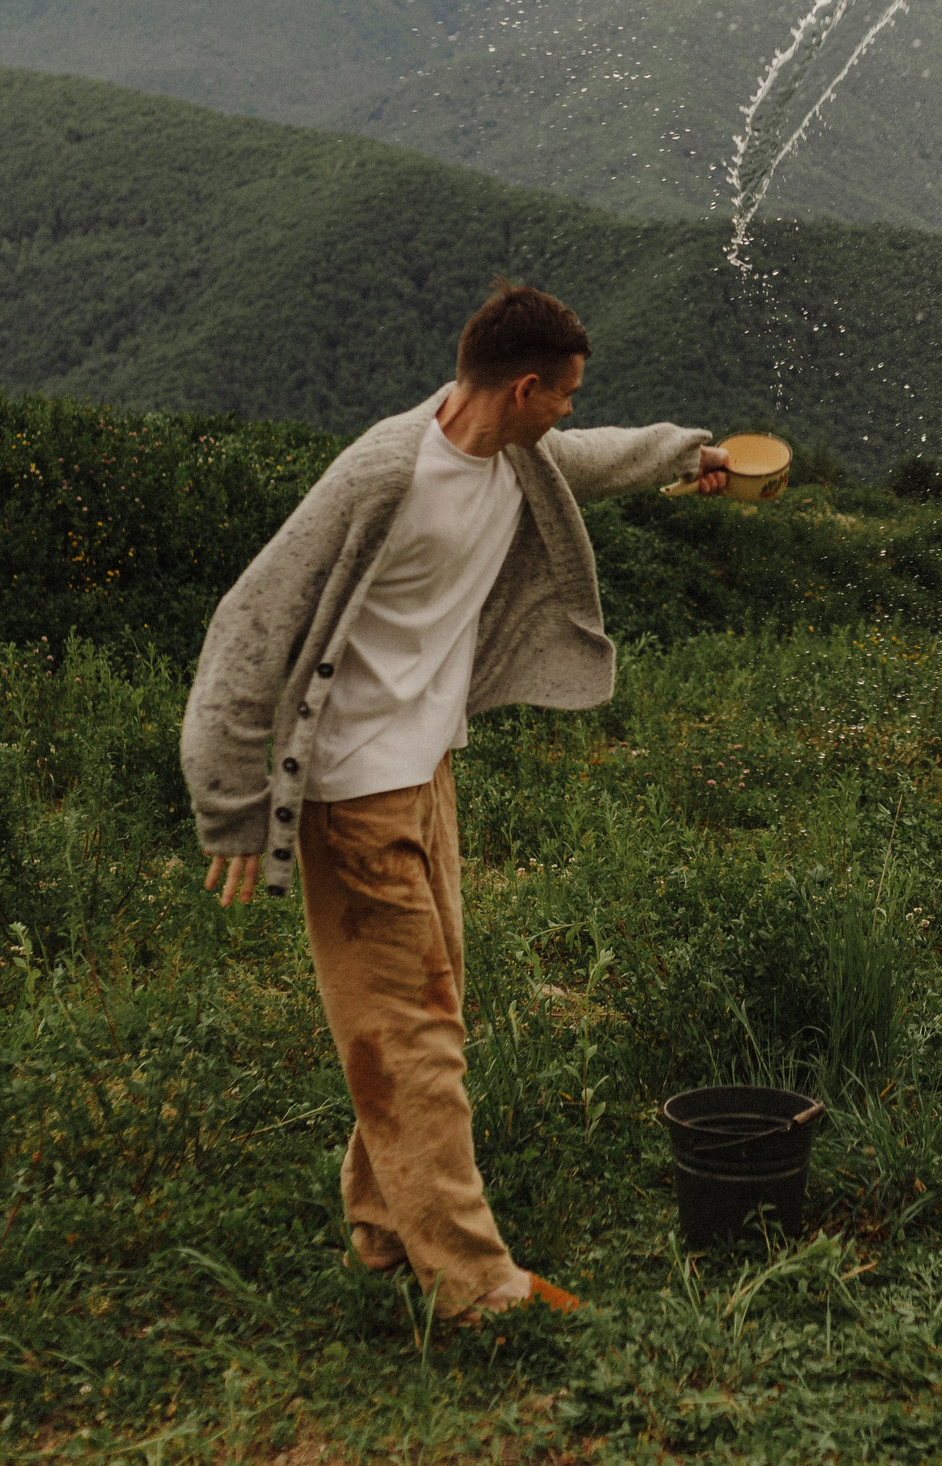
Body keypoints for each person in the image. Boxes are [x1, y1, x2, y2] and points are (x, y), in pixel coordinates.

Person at [179, 279, 729, 1318]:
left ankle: (386, 1227)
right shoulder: (382, 475)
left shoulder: (513, 452)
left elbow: (588, 456)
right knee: (418, 1032)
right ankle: (476, 1288)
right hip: (348, 797)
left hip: (422, 775)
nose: (569, 409)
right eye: (562, 394)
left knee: (425, 1011)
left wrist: (689, 455)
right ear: (521, 387)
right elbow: (248, 622)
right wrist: (231, 801)